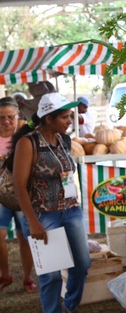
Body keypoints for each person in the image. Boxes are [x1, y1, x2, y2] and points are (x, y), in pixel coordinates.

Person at [6, 92, 91, 313]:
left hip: (71, 211)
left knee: (82, 265)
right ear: (48, 119)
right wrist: (33, 222)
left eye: (70, 116)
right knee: (51, 275)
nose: (70, 121)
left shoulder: (65, 139)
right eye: (64, 117)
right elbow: (19, 185)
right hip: (42, 215)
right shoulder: (28, 143)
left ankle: (69, 306)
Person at [0, 97, 37, 293]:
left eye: (10, 117)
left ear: (17, 116)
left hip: (23, 194)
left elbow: (37, 120)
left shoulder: (25, 132)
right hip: (0, 198)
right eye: (1, 118)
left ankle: (27, 278)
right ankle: (5, 275)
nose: (6, 121)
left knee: (25, 237)